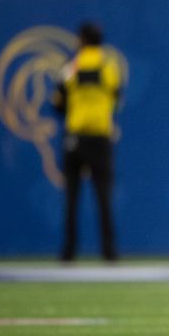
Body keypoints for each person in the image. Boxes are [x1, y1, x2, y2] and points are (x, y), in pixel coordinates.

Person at [51, 22, 122, 262]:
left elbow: (57, 103)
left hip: (75, 138)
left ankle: (68, 253)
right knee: (103, 196)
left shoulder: (71, 66)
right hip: (100, 137)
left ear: (81, 39)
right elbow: (116, 96)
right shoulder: (109, 65)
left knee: (71, 197)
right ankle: (109, 252)